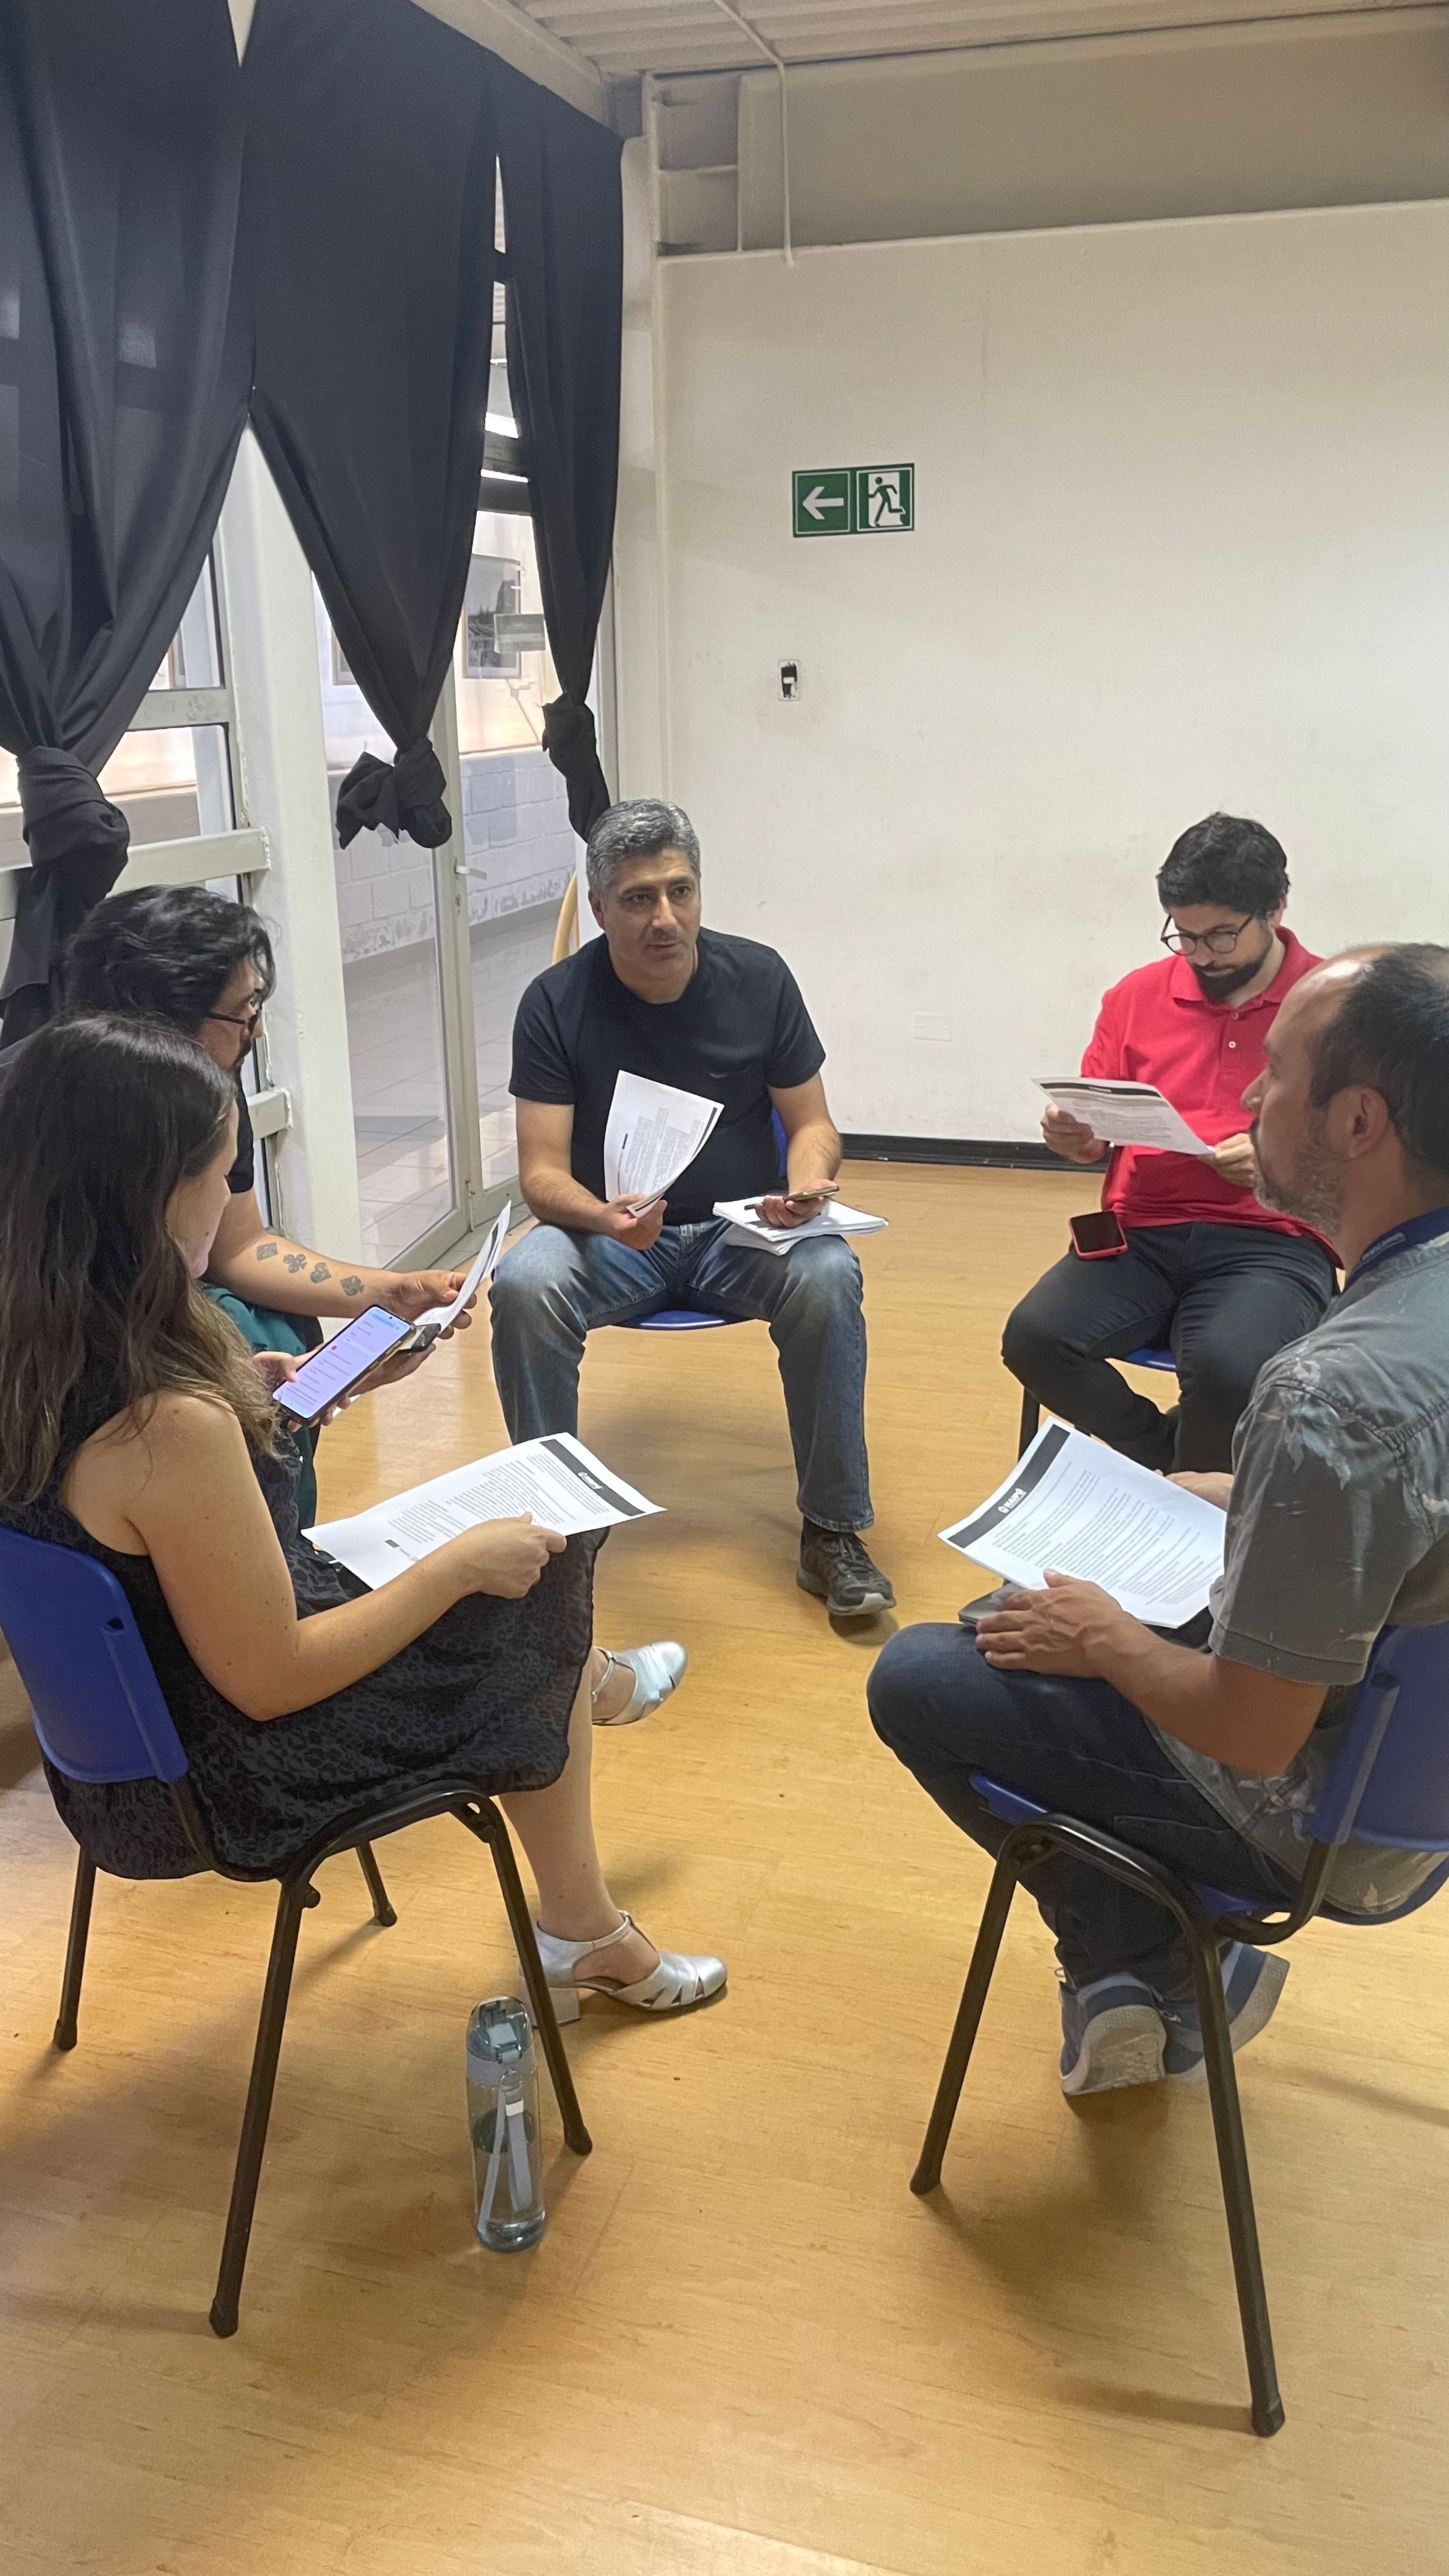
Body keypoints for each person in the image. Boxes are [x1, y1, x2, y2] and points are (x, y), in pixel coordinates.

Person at [0, 1015, 723, 2017]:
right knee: (534, 1582)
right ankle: (586, 1929)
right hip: (238, 1779)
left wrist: (267, 1403)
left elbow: (133, 1526)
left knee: (512, 1587)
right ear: (155, 1197)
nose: (228, 1200)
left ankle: (589, 1730)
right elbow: (272, 1677)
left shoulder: (40, 1357)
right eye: (219, 1174)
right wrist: (458, 1566)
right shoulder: (170, 1426)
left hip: (114, 1759)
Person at [869, 944, 1449, 2096]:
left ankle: (1156, 1960)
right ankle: (1138, 1972)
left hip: (1333, 1815)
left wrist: (1107, 1642)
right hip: (1418, 1762)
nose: (1246, 1098)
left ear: (1359, 1122)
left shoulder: (1324, 1389)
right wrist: (1238, 1495)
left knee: (925, 1675)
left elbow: (1252, 1732)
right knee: (1016, 1617)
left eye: (1275, 1075)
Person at [490, 798, 892, 1621]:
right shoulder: (556, 1003)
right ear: (600, 908)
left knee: (826, 1270)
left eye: (681, 891)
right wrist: (606, 1220)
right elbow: (539, 1174)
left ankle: (833, 1532)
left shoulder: (760, 978)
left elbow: (812, 1123)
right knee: (525, 1282)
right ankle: (554, 1531)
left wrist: (809, 1186)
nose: (664, 918)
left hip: (738, 1232)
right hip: (613, 1239)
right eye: (638, 899)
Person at [1003, 814, 1337, 1473]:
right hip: (1140, 1230)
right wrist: (1074, 1138)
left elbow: (1368, 1147)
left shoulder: (1331, 1003)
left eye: (1220, 935)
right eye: (1184, 935)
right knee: (1035, 1339)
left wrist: (1277, 1160)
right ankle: (1172, 1473)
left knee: (1229, 1369)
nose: (1201, 954)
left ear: (1276, 908)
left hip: (1273, 1238)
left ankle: (1192, 1513)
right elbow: (1097, 1130)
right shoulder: (1135, 996)